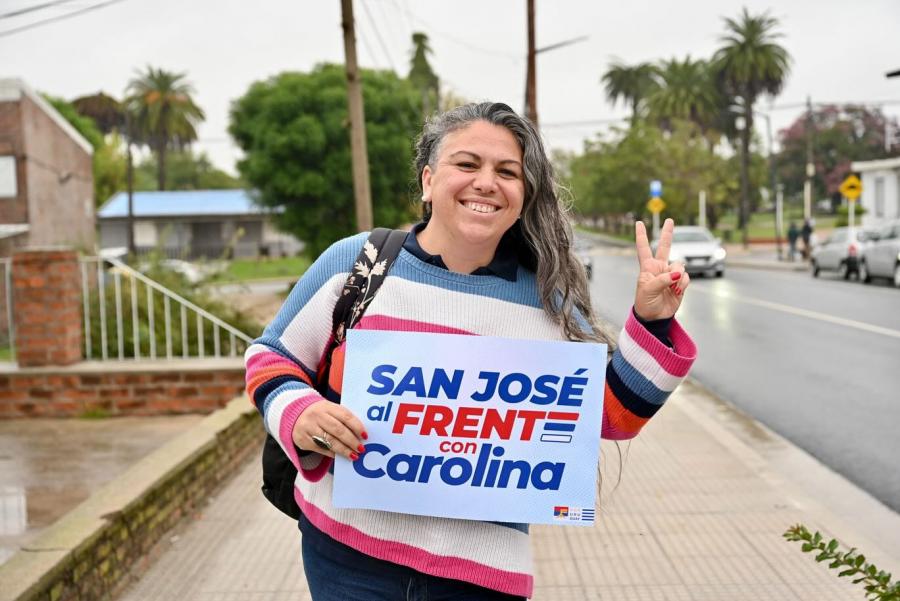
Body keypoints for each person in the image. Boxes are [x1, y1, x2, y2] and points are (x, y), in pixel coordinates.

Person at [244, 102, 697, 600]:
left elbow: (611, 418)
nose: (486, 182)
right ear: (428, 181)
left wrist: (652, 321)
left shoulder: (549, 302)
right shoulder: (358, 263)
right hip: (346, 556)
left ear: (524, 196)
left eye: (507, 171)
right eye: (467, 164)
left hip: (481, 576)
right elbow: (272, 359)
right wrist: (300, 413)